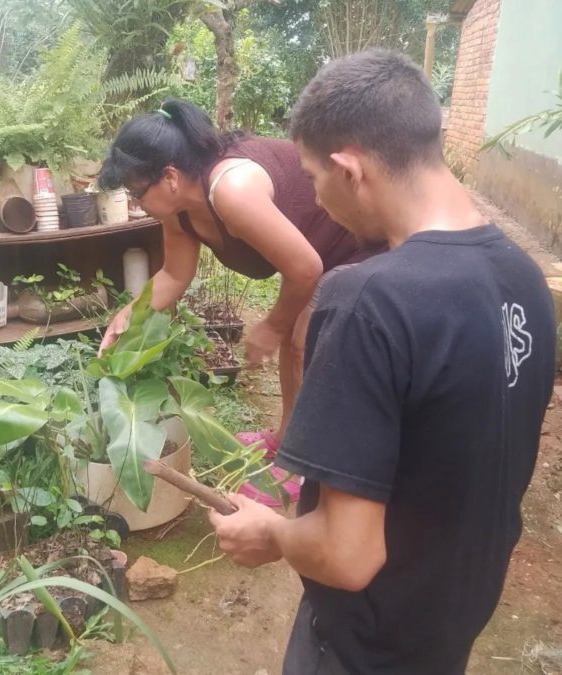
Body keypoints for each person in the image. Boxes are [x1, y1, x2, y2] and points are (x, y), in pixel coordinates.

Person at [209, 49, 556, 674]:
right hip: (451, 621)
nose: (314, 197)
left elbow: (347, 554)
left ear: (350, 170)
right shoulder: (525, 277)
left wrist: (273, 533)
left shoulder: (368, 300)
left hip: (364, 643)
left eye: (312, 178)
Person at [97, 98, 382, 472]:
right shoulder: (178, 210)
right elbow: (174, 275)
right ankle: (287, 439)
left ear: (169, 177)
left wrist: (272, 326)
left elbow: (305, 268)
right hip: (316, 257)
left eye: (137, 193)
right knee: (294, 341)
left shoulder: (232, 189)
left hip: (358, 243)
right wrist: (128, 317)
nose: (136, 203)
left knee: (300, 342)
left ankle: (303, 464)